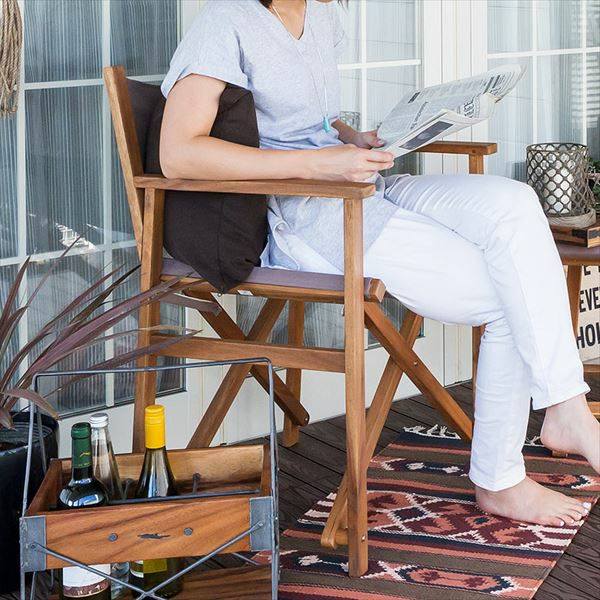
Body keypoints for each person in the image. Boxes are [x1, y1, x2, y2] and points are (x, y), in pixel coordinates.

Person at [159, 0, 599, 526]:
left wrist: (354, 138)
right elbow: (178, 153)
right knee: (508, 296)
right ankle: (500, 479)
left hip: (365, 189)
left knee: (515, 204)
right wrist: (320, 164)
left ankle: (565, 405)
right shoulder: (225, 21)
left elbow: (312, 120)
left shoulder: (321, 15)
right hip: (309, 217)